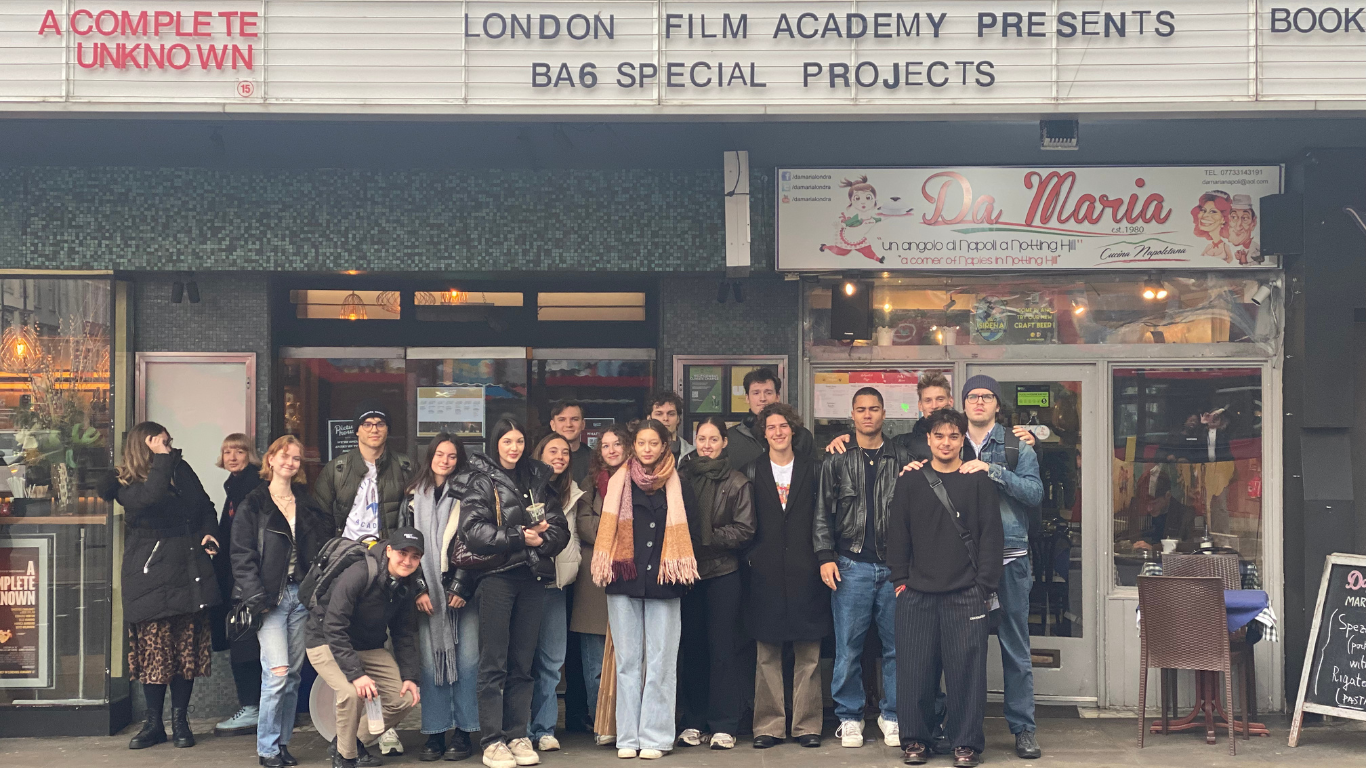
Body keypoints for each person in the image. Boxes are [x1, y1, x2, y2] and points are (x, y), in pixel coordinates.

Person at [448, 419, 570, 768]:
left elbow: (560, 529)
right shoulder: (482, 479)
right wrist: (521, 536)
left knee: (523, 661)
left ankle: (518, 734)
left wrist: (542, 539)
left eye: (519, 441)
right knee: (494, 662)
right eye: (507, 441)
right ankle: (492, 741)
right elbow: (472, 531)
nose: (513, 447)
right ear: (496, 444)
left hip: (533, 578)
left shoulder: (537, 478)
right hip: (497, 578)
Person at [889, 408, 1004, 768]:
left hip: (966, 593)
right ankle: (915, 741)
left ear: (962, 440)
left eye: (954, 436)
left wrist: (983, 586)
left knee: (967, 673)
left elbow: (991, 538)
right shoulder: (910, 481)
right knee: (914, 671)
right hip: (916, 594)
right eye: (939, 436)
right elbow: (897, 535)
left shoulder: (977, 481)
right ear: (928, 440)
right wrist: (899, 581)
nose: (946, 442)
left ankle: (965, 744)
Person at [99, 422, 220, 750]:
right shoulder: (123, 479)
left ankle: (180, 721)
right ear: (145, 444)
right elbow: (149, 498)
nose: (169, 446)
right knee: (155, 653)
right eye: (161, 442)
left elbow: (205, 506)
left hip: (189, 569)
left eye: (169, 442)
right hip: (150, 574)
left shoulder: (182, 469)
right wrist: (162, 461)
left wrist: (210, 532)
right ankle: (154, 723)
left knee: (185, 652)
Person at [591, 419, 699, 760]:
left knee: (661, 662)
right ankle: (628, 736)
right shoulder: (619, 483)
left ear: (665, 446)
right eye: (642, 443)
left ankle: (655, 736)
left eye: (654, 443)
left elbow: (691, 532)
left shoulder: (679, 484)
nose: (648, 449)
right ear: (633, 446)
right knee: (627, 662)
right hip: (624, 578)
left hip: (665, 581)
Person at [231, 435, 336, 768]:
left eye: (296, 458)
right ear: (271, 459)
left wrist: (315, 587)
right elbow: (242, 555)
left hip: (300, 596)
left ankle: (282, 742)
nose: (290, 462)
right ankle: (266, 748)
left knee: (291, 676)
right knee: (276, 673)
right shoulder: (254, 503)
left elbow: (320, 550)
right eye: (285, 456)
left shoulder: (306, 502)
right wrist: (255, 597)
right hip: (269, 600)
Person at [814, 387, 909, 749]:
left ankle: (893, 715)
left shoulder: (901, 456)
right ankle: (850, 717)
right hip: (850, 564)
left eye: (874, 409)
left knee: (896, 647)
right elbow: (821, 511)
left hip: (893, 567)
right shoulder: (836, 458)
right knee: (848, 648)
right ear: (851, 415)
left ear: (885, 413)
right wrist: (824, 556)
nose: (867, 415)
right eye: (861, 409)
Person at [957, 374, 1045, 760]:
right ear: (964, 404)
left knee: (1014, 647)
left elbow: (1034, 493)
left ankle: (1023, 729)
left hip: (1010, 555)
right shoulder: (949, 440)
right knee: (963, 648)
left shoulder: (1015, 445)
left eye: (986, 396)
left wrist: (991, 470)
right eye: (972, 396)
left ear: (997, 404)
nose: (979, 402)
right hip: (961, 558)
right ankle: (963, 729)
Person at [743, 403, 830, 750]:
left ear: (793, 430)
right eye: (771, 427)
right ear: (763, 434)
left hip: (807, 570)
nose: (777, 432)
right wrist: (751, 559)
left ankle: (807, 723)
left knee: (808, 652)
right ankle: (769, 726)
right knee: (767, 652)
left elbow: (826, 516)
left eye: (783, 426)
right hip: (764, 573)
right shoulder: (750, 470)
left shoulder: (815, 469)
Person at [305, 527, 425, 768]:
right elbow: (333, 625)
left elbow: (404, 632)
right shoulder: (360, 572)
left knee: (404, 698)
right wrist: (356, 674)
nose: (408, 561)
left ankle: (347, 742)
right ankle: (346, 758)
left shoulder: (407, 583)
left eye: (415, 556)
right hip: (325, 641)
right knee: (351, 693)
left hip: (368, 646)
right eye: (403, 553)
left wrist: (410, 676)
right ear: (389, 550)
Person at [398, 434, 479, 763]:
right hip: (427, 592)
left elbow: (477, 542)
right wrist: (418, 587)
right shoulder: (413, 496)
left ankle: (463, 731)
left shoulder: (471, 494)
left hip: (462, 590)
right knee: (431, 664)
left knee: (468, 660)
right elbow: (405, 545)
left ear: (459, 459)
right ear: (430, 456)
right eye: (440, 454)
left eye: (452, 456)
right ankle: (434, 733)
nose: (445, 460)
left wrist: (462, 585)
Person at [676, 417, 755, 750]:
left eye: (713, 439)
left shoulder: (737, 482)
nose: (706, 445)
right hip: (688, 573)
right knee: (692, 648)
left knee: (723, 649)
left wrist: (704, 538)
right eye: (701, 439)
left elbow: (745, 529)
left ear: (725, 442)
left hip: (723, 572)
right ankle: (693, 720)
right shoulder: (681, 478)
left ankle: (724, 723)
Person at [570, 425, 629, 747]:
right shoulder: (589, 484)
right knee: (595, 663)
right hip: (594, 581)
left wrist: (609, 527)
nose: (612, 450)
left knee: (629, 659)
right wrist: (621, 529)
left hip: (631, 575)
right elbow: (583, 524)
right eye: (605, 445)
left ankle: (628, 723)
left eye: (617, 444)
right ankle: (601, 723)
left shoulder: (641, 482)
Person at [528, 433, 585, 752]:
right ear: (539, 453)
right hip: (525, 583)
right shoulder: (525, 487)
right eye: (553, 450)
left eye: (565, 452)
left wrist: (572, 561)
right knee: (522, 660)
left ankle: (545, 728)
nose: (560, 456)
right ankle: (519, 728)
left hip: (556, 586)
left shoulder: (574, 493)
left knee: (551, 661)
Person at [211, 434, 266, 737]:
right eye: (227, 451)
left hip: (247, 578)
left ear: (250, 454)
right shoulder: (233, 486)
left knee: (245, 642)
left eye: (239, 451)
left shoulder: (251, 486)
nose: (232, 456)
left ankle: (253, 706)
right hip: (236, 575)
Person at [314, 400, 414, 541]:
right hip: (347, 552)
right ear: (357, 430)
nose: (374, 430)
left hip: (389, 554)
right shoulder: (336, 469)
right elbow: (320, 519)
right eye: (367, 424)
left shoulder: (406, 467)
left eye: (380, 424)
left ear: (388, 429)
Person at [726, 368, 818, 471]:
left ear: (777, 397)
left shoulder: (802, 436)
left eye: (768, 393)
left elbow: (813, 473)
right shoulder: (730, 437)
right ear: (747, 398)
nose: (762, 398)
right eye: (756, 393)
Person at [549, 400, 592, 482]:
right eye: (562, 419)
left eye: (574, 419)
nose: (568, 425)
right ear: (553, 425)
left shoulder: (596, 460)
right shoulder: (538, 460)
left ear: (583, 424)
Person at [647, 391, 694, 460]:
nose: (665, 418)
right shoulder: (640, 454)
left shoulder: (693, 454)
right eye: (659, 414)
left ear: (678, 419)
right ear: (649, 418)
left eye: (671, 414)